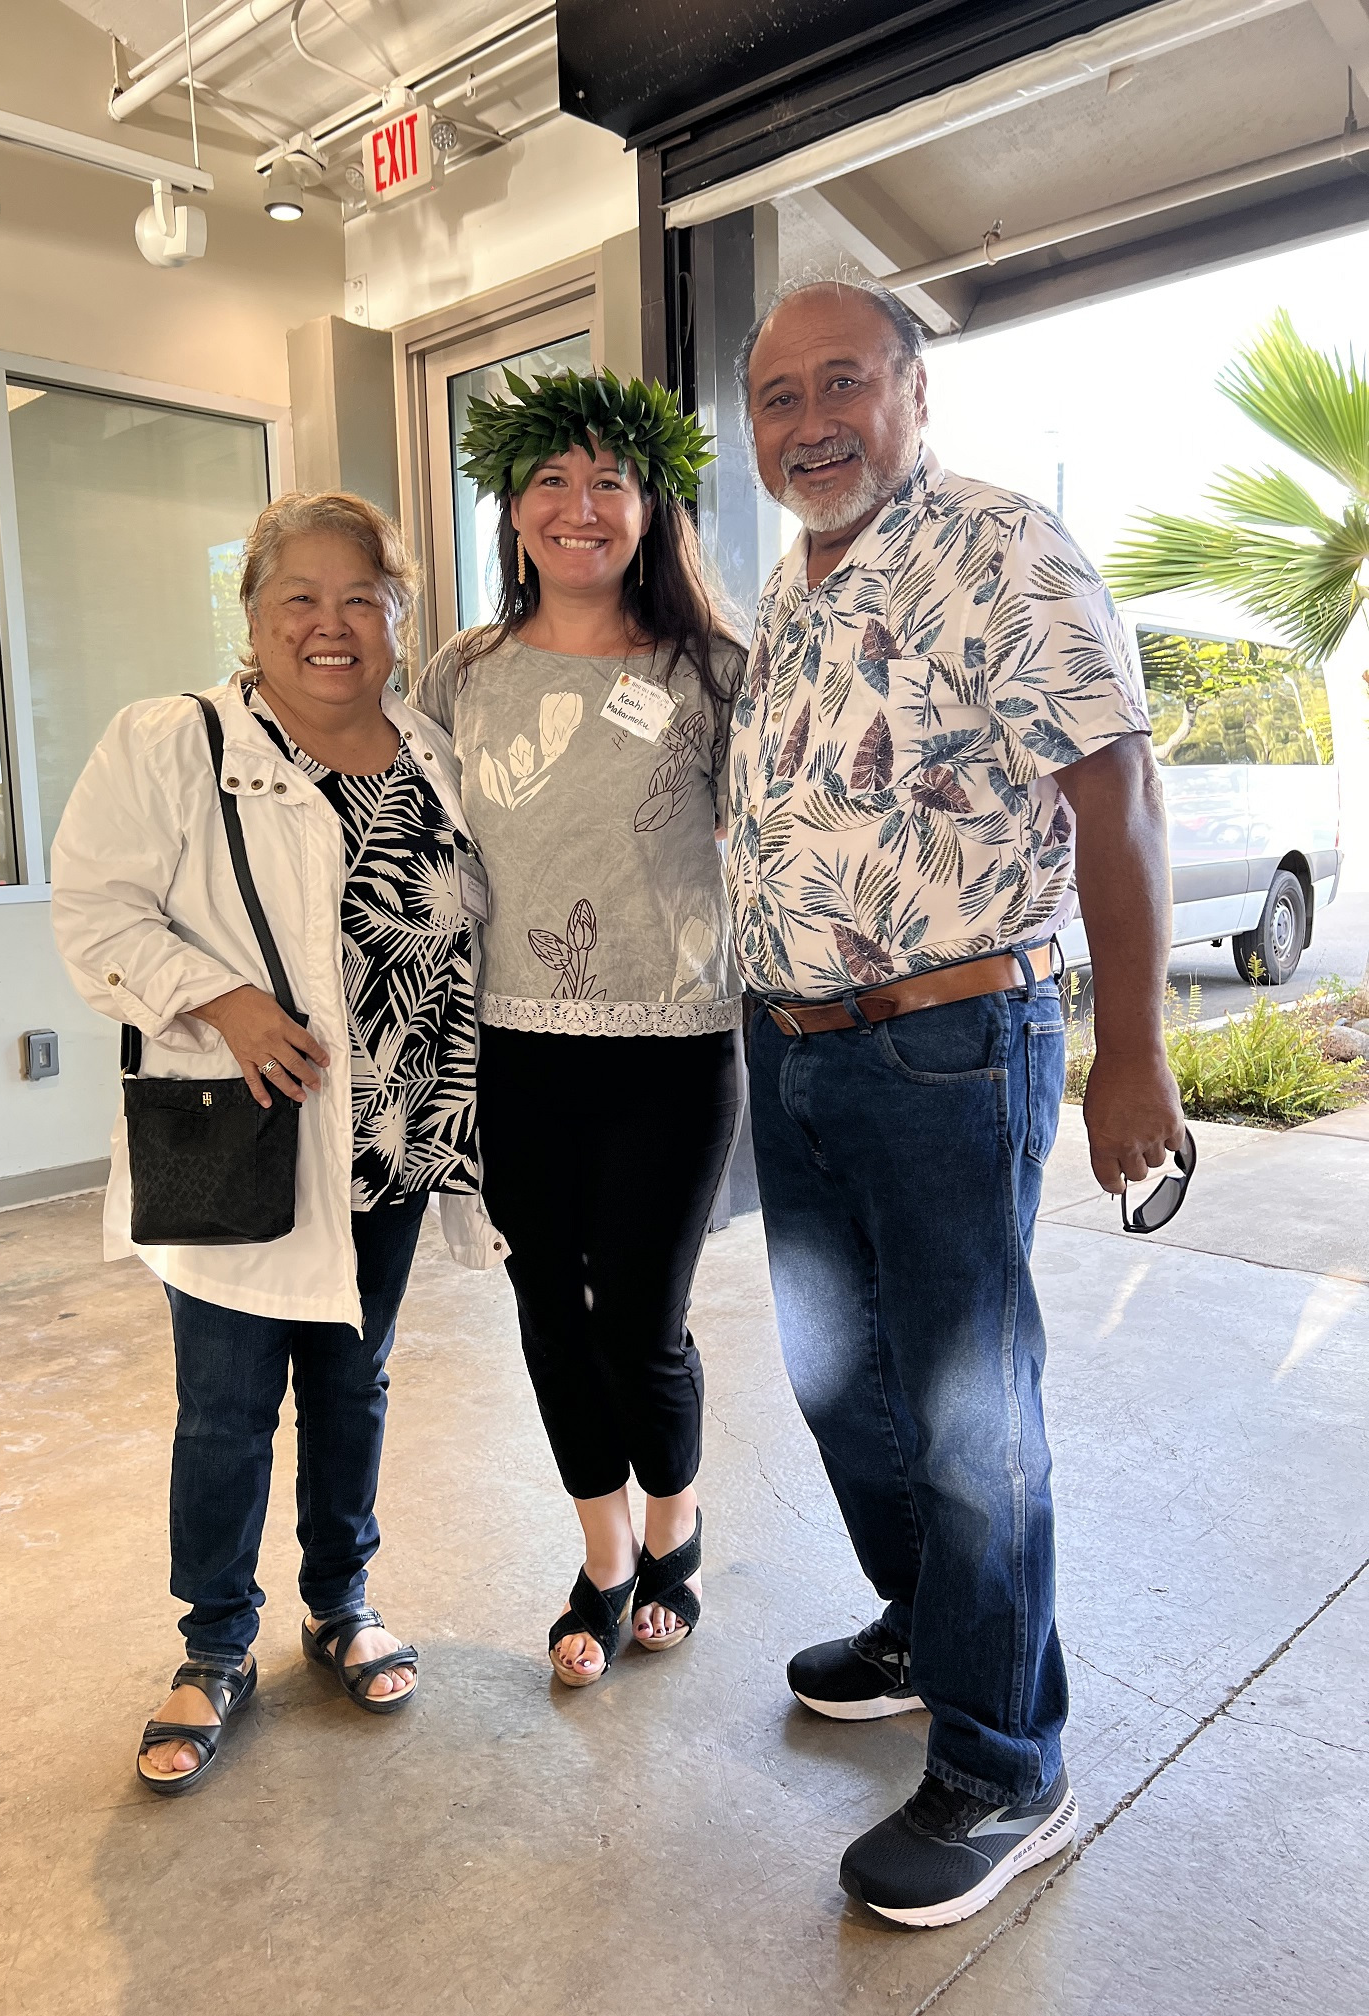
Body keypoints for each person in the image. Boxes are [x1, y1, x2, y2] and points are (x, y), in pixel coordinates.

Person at [729, 281, 1186, 1925]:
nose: (810, 423)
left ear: (915, 392)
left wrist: (1130, 1050)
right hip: (793, 1045)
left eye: (841, 382)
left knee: (968, 1416)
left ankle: (1007, 1767)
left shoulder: (1001, 546)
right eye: (778, 398)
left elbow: (1118, 790)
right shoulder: (791, 589)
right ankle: (932, 1630)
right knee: (835, 1381)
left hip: (947, 1043)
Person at [53, 491, 500, 1794]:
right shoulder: (174, 741)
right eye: (297, 596)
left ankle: (341, 1600)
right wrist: (224, 999)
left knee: (355, 1385)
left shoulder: (435, 756)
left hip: (396, 1138)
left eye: (362, 596)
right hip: (234, 1133)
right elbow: (95, 913)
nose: (329, 623)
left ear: (401, 616)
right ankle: (214, 1642)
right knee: (227, 1405)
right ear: (250, 616)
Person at [412, 370, 746, 1686]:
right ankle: (606, 1554)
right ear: (512, 511)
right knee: (551, 1306)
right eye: (550, 479)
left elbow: (784, 829)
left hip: (673, 1042)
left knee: (642, 1323)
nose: (579, 505)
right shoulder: (464, 673)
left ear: (651, 507)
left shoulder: (712, 668)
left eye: (610, 480)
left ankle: (677, 1525)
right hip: (513, 1042)